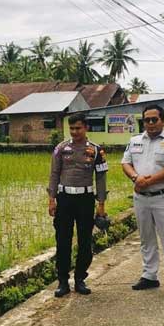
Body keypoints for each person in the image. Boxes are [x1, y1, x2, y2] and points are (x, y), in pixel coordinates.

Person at [121, 104, 164, 298]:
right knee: (146, 237)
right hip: (141, 198)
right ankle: (149, 275)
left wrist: (145, 181)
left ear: (162, 120)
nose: (150, 123)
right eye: (146, 120)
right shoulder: (134, 141)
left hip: (163, 197)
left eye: (154, 119)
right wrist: (135, 178)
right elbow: (126, 162)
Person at [47, 113, 108, 297]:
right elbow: (54, 173)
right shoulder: (60, 148)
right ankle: (63, 281)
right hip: (65, 199)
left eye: (78, 128)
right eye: (72, 128)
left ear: (86, 128)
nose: (75, 132)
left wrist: (101, 203)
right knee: (63, 241)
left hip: (85, 199)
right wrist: (52, 199)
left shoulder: (96, 150)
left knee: (84, 241)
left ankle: (80, 278)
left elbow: (101, 177)